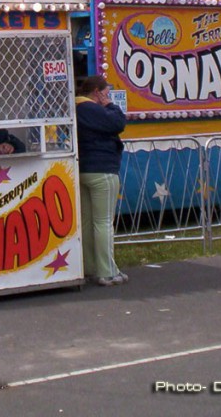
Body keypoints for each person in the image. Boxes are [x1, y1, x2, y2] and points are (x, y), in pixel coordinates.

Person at [75, 74, 127, 286]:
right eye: (105, 93)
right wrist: (111, 105)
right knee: (104, 222)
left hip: (83, 169)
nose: (107, 96)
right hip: (102, 169)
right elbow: (118, 123)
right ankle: (107, 271)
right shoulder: (93, 109)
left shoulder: (76, 108)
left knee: (87, 222)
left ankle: (89, 267)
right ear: (96, 92)